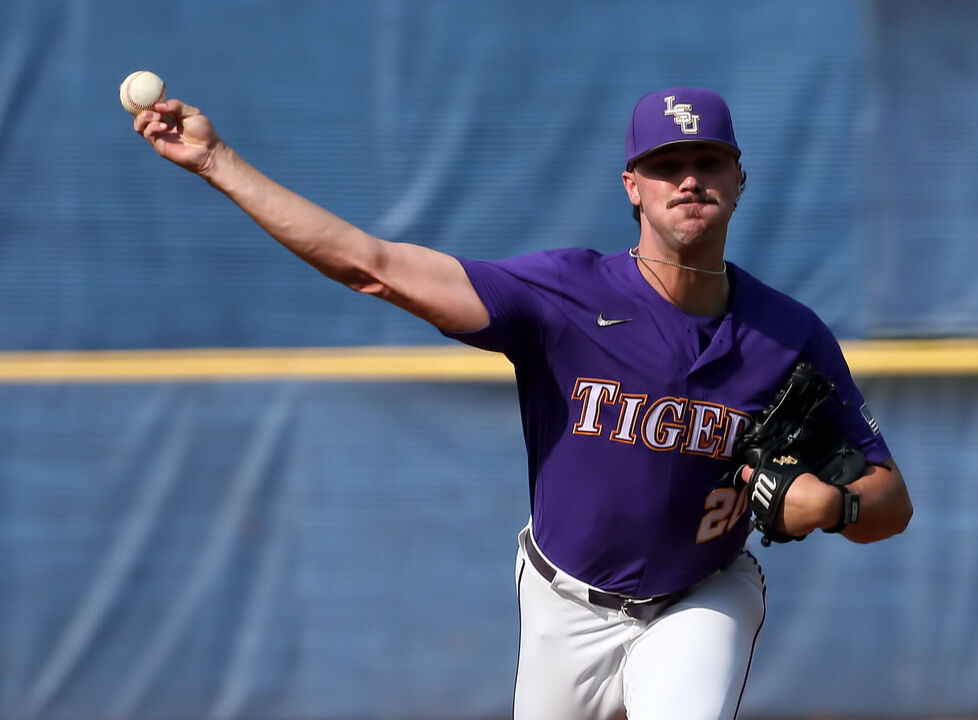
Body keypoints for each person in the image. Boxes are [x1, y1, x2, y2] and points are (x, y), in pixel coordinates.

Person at [133, 85, 913, 720]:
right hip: (561, 602)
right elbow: (369, 265)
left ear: (739, 180)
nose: (689, 179)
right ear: (631, 187)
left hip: (699, 596)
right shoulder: (564, 294)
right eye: (665, 163)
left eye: (708, 160)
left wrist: (834, 508)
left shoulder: (790, 334)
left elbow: (892, 501)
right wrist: (215, 160)